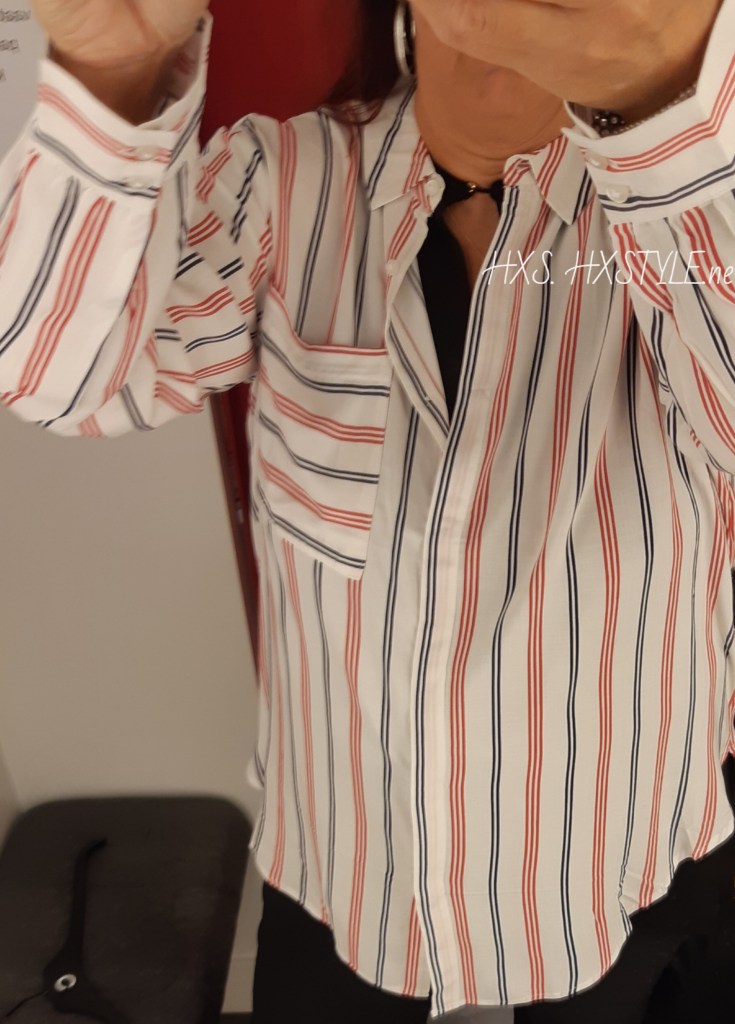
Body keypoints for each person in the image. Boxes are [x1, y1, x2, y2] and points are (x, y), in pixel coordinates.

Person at [1, 0, 734, 1021]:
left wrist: (663, 103)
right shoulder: (279, 181)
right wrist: (111, 78)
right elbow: (58, 380)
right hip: (351, 854)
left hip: (621, 842)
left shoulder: (685, 208)